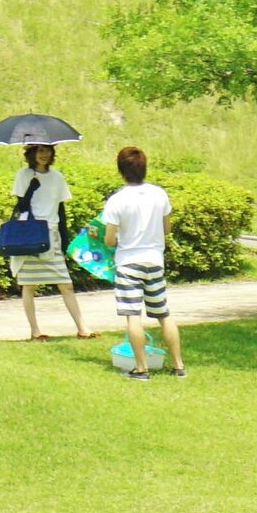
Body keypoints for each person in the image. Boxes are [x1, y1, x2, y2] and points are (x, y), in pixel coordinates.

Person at [99, 145, 182, 378]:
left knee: (133, 316)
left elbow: (109, 239)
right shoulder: (159, 194)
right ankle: (178, 365)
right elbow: (166, 229)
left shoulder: (117, 200)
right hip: (155, 261)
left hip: (129, 263)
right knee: (163, 314)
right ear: (144, 168)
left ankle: (142, 368)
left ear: (121, 170)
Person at [6, 143, 86, 341]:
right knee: (29, 285)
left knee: (65, 284)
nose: (44, 154)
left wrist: (65, 238)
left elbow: (60, 209)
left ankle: (82, 327)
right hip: (30, 234)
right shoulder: (23, 175)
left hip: (51, 234)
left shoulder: (57, 176)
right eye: (40, 150)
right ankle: (35, 331)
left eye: (47, 150)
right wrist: (32, 186)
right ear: (32, 153)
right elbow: (20, 206)